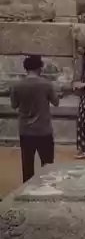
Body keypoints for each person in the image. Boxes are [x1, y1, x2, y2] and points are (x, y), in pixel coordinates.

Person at [9, 53, 60, 184]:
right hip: (44, 129)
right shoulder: (46, 84)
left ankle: (27, 191)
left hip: (25, 130)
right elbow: (56, 102)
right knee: (47, 165)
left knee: (27, 165)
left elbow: (14, 105)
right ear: (40, 68)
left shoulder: (17, 85)